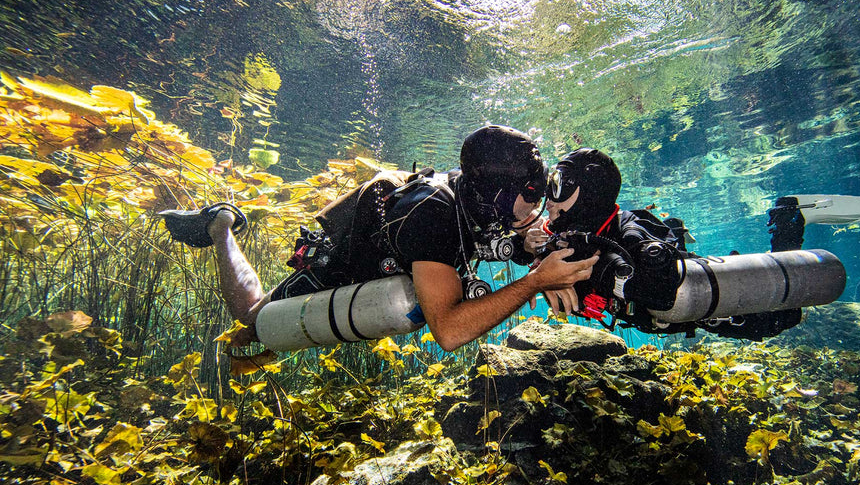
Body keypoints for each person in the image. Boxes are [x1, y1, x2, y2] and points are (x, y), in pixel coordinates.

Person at [160, 126, 599, 351]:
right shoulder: (434, 215)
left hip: (400, 265)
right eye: (530, 194)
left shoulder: (475, 201)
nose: (538, 203)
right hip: (345, 266)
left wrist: (523, 247)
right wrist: (535, 282)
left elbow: (478, 243)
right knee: (252, 325)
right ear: (497, 196)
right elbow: (448, 330)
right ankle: (219, 225)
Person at [523, 148, 805, 340]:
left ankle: (788, 225)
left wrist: (604, 272)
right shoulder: (575, 235)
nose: (549, 200)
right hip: (656, 319)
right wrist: (536, 257)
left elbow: (659, 291)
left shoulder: (629, 236)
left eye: (558, 186)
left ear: (589, 193)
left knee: (783, 317)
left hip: (697, 311)